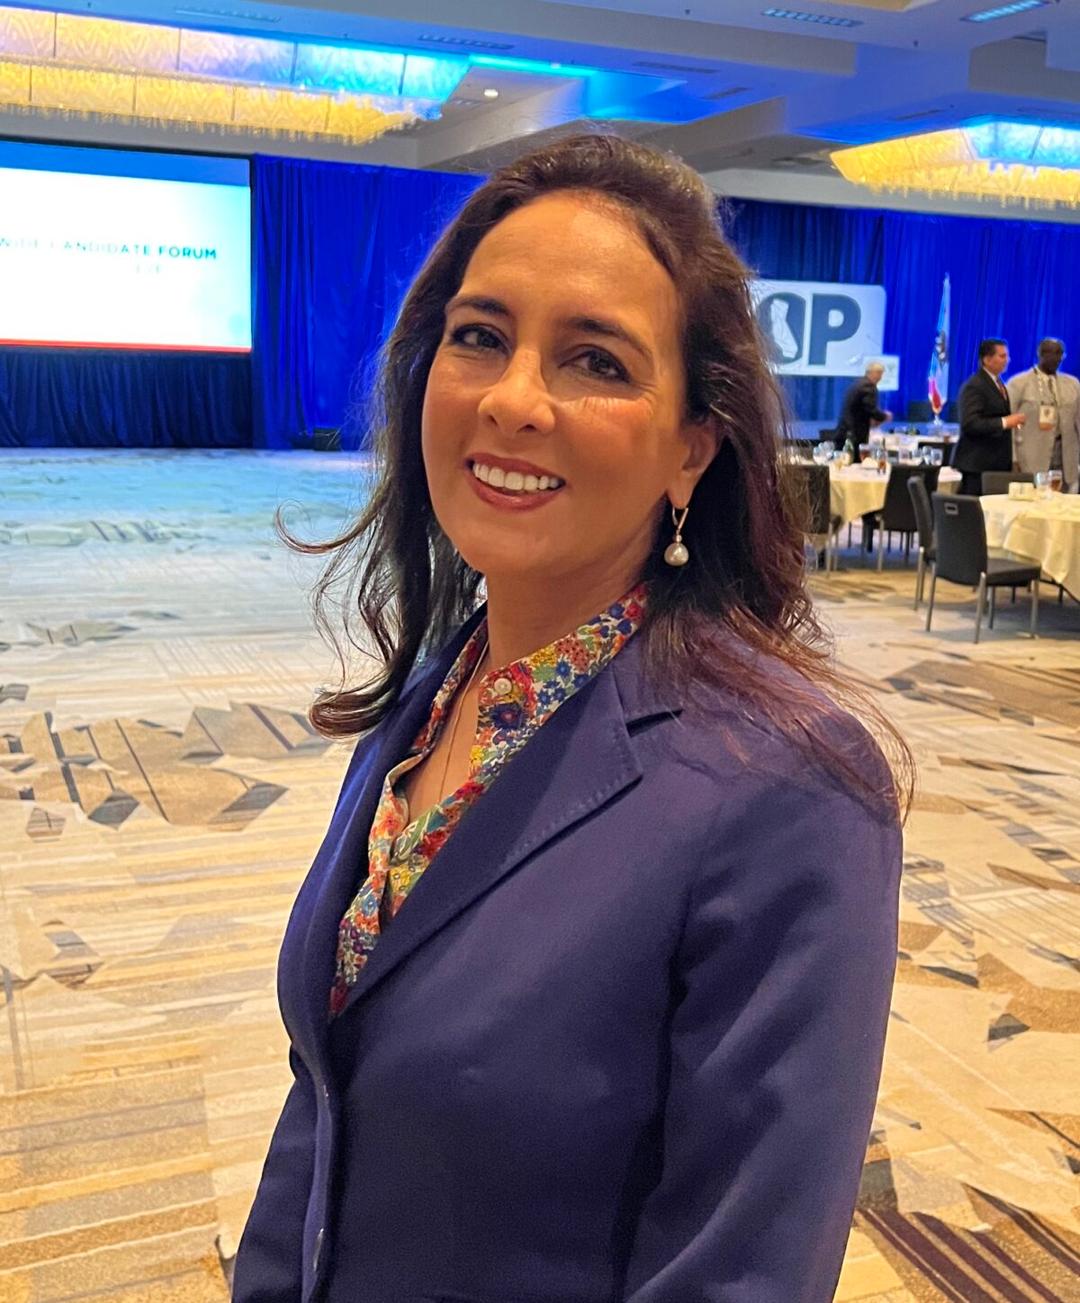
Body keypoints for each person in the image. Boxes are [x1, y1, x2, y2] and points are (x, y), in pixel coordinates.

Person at [232, 134, 909, 1303]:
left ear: (692, 447)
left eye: (596, 361)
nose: (512, 399)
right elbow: (327, 1095)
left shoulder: (789, 788)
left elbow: (742, 1273)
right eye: (480, 337)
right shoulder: (434, 697)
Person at [954, 338, 1026, 495]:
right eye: (1002, 356)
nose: (1007, 360)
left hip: (995, 463)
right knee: (977, 507)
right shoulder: (975, 385)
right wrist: (1005, 422)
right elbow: (970, 423)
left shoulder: (997, 383)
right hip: (978, 464)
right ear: (987, 359)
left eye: (1007, 356)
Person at [1007, 337, 1080, 492]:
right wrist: (1013, 458)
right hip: (1031, 457)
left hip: (1066, 458)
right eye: (1049, 353)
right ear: (1039, 354)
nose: (1055, 358)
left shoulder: (1073, 384)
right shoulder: (1018, 383)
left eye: (1059, 353)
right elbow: (1009, 424)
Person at [834, 360, 891, 452]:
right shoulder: (868, 386)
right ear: (873, 373)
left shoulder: (858, 383)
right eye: (879, 374)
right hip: (854, 435)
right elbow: (871, 409)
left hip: (845, 432)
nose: (880, 378)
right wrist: (885, 416)